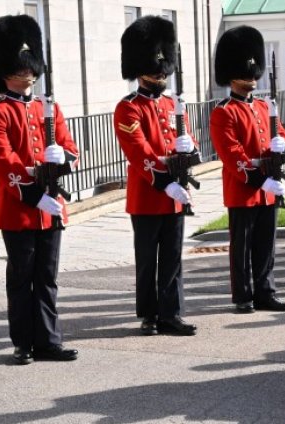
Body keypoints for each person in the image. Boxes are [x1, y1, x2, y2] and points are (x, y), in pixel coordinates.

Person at [0, 15, 79, 365]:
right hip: (21, 208)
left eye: (29, 68)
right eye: (20, 69)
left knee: (47, 279)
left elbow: (71, 147)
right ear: (5, 71)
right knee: (21, 279)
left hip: (51, 206)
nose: (27, 74)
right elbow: (3, 162)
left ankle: (49, 340)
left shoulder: (47, 107)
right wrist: (36, 196)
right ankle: (23, 342)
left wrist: (63, 156)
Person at [115, 16, 196, 336]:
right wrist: (165, 180)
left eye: (164, 68)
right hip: (149, 195)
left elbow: (184, 144)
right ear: (140, 70)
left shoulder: (172, 105)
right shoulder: (128, 108)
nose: (161, 73)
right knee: (148, 260)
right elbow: (139, 152)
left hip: (176, 194)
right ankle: (149, 314)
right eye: (155, 68)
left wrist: (188, 147)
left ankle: (171, 313)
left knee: (173, 258)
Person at [210, 25, 285, 314]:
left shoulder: (263, 107)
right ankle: (243, 295)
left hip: (267, 189)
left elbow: (281, 133)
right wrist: (260, 179)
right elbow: (232, 155)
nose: (251, 78)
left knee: (265, 246)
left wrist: (284, 145)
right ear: (232, 77)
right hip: (244, 189)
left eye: (252, 73)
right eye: (246, 74)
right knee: (241, 248)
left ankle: (265, 291)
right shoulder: (223, 112)